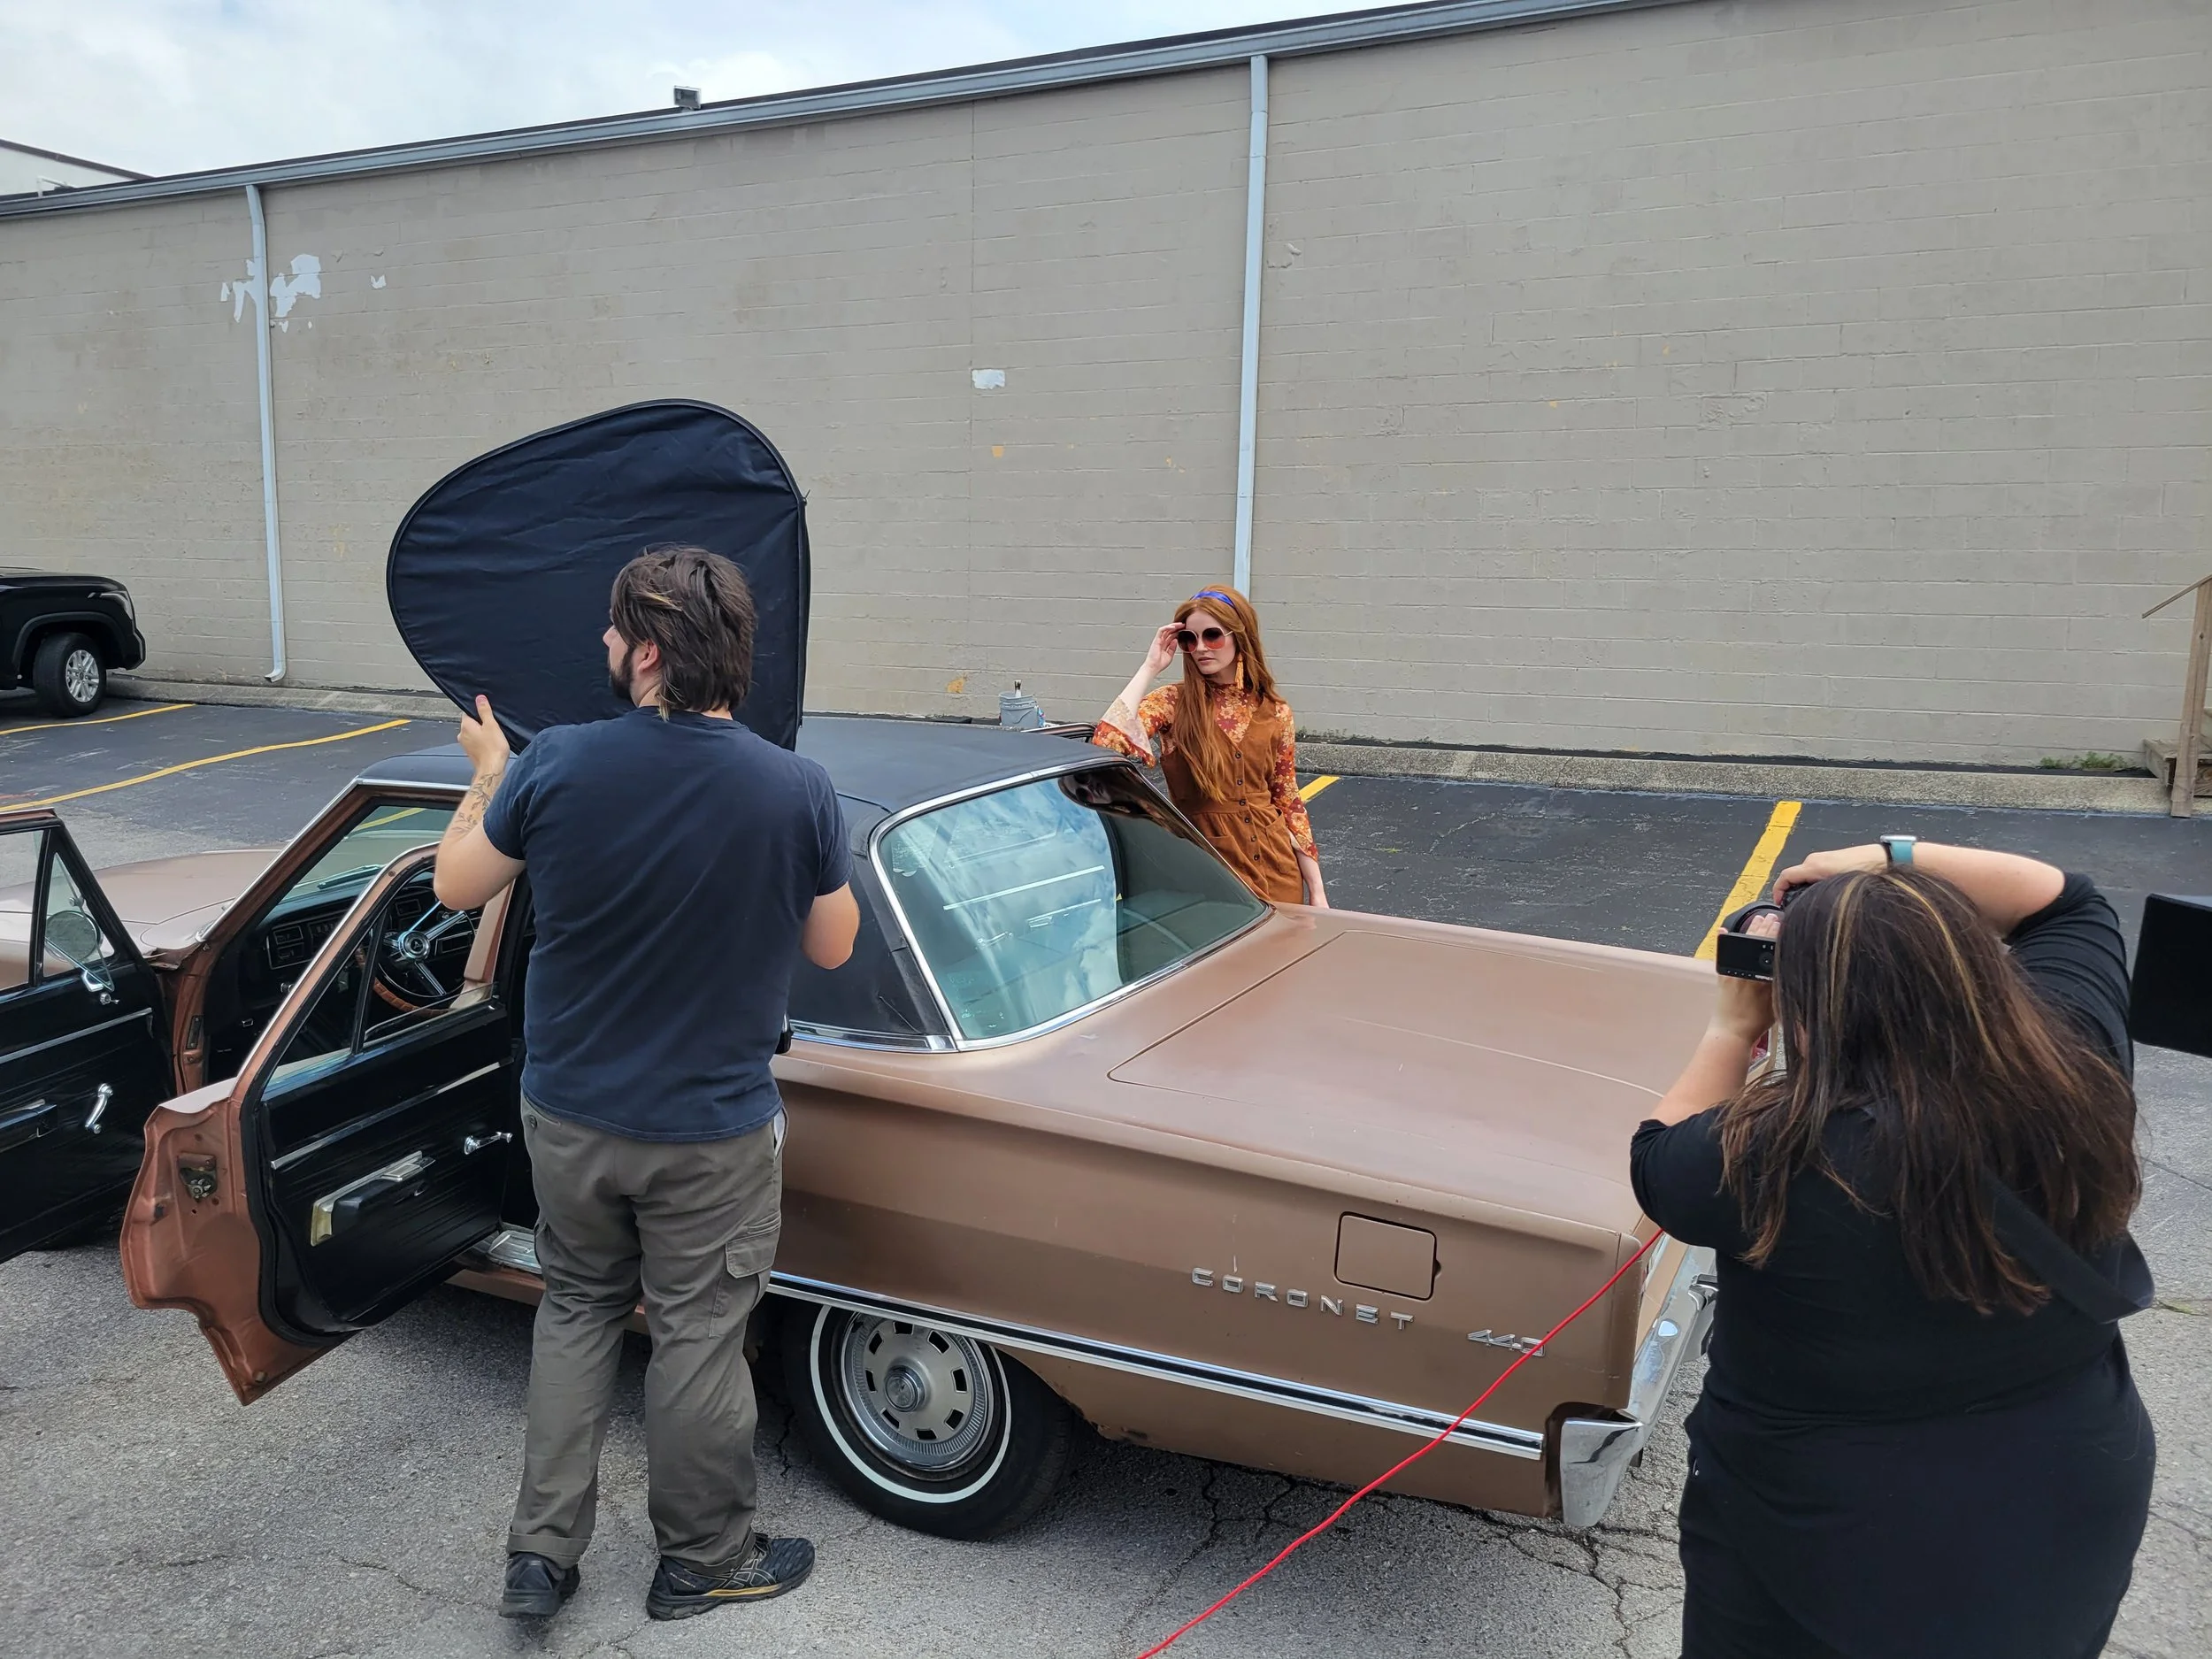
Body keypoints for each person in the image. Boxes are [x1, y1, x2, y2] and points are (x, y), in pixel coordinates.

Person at [433, 545, 860, 1624]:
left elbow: (453, 886)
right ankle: (702, 1559)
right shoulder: (795, 787)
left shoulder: (558, 761)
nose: (605, 649)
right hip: (710, 1131)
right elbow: (835, 946)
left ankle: (540, 1558)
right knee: (697, 1335)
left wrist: (491, 767)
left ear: (652, 653)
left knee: (574, 1310)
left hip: (570, 1114)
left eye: (616, 636)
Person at [1631, 840, 2154, 1659]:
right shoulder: (2071, 1061)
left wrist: (1734, 1027)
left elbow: (1653, 1156)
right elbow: (2066, 900)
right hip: (2067, 1485)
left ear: (1809, 1014)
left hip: (1822, 1530)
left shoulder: (1763, 1157)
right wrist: (1885, 860)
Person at [1092, 585, 1327, 906]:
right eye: (1190, 639)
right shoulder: (1173, 703)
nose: (1201, 647)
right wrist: (1150, 667)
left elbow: (1288, 799)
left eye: (1212, 635)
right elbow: (1106, 744)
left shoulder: (1275, 711)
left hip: (1278, 868)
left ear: (1239, 637)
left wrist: (1317, 889)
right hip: (1212, 869)